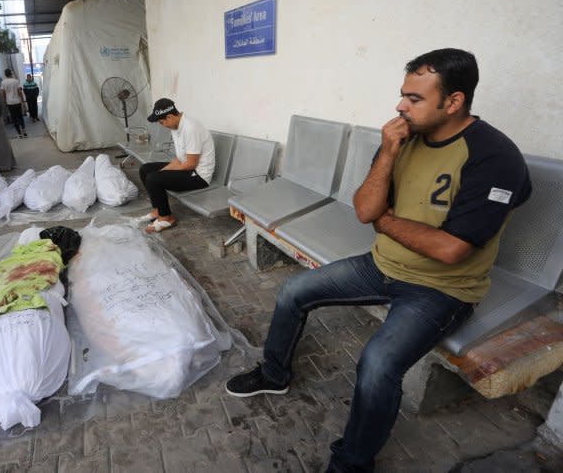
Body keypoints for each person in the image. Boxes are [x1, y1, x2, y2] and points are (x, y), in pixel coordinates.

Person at [224, 49, 532, 472]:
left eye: (414, 98)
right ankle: (274, 376)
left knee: (377, 364)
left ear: (454, 101)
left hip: (442, 289)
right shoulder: (401, 138)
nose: (400, 106)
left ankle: (352, 462)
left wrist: (385, 221)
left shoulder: (494, 157)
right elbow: (365, 209)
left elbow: (451, 249)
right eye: (403, 94)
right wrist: (387, 153)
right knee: (293, 290)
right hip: (381, 265)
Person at [138, 98, 215, 233]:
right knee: (145, 170)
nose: (162, 125)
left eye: (162, 122)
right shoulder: (176, 126)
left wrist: (161, 174)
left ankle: (166, 217)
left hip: (199, 176)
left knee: (153, 178)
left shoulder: (191, 128)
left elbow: (190, 164)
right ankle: (157, 211)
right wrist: (164, 171)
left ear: (169, 116)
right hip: (187, 169)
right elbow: (178, 160)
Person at [1, 68, 26, 138]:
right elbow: (19, 91)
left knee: (14, 118)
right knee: (20, 117)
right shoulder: (16, 81)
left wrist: (5, 101)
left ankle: (19, 134)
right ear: (11, 73)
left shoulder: (3, 82)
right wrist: (22, 100)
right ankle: (24, 131)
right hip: (17, 101)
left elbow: (3, 93)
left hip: (10, 103)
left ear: (5, 74)